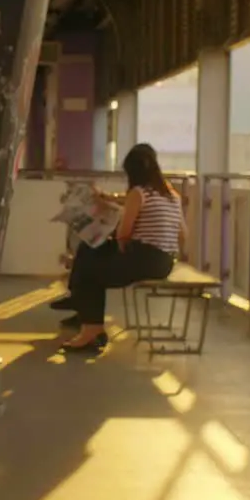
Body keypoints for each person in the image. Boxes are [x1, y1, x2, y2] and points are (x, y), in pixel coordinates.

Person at [53, 143, 184, 351]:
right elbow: (182, 233)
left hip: (143, 259)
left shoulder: (138, 193)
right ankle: (82, 310)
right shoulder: (172, 196)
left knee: (90, 266)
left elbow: (124, 233)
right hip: (165, 262)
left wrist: (111, 232)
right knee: (90, 251)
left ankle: (89, 326)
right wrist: (108, 200)